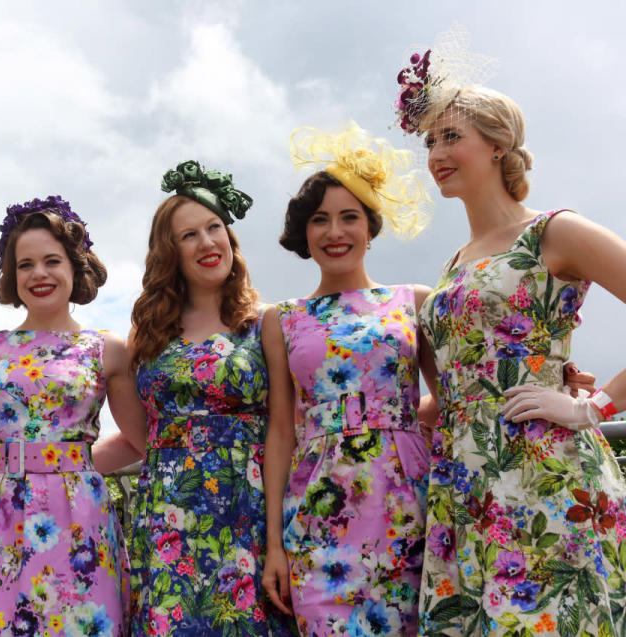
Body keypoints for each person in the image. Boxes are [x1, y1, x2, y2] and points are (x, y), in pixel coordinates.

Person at [395, 45, 626, 636]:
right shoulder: (454, 264)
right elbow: (463, 382)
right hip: (461, 486)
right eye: (428, 143)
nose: (436, 155)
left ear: (497, 144)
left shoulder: (554, 231)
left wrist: (592, 407)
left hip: (543, 476)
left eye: (450, 137)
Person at [260, 125, 434, 636]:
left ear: (371, 227)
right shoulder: (282, 319)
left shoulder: (415, 302)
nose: (335, 232)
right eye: (320, 220)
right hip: (318, 503)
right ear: (304, 232)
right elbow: (279, 433)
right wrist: (274, 543)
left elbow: (454, 400)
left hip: (406, 498)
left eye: (349, 217)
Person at [0, 196, 143, 636]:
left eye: (52, 261)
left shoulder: (107, 349)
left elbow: (136, 440)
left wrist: (70, 467)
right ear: (10, 274)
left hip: (78, 515)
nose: (39, 273)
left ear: (75, 267)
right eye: (25, 264)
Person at [124, 161, 297, 636]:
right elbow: (137, 435)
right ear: (169, 252)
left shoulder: (267, 322)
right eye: (188, 235)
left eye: (213, 227)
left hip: (246, 511)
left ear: (229, 236)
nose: (206, 243)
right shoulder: (148, 332)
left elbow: (284, 430)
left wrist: (277, 542)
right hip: (164, 514)